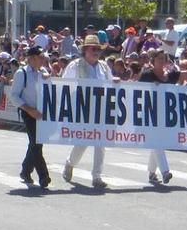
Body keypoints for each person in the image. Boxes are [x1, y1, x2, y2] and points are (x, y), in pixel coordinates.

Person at [61, 35, 116, 188]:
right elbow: (65, 84)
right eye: (93, 49)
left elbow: (111, 83)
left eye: (98, 49)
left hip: (101, 107)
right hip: (82, 107)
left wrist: (116, 82)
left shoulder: (104, 66)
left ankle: (97, 176)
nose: (96, 52)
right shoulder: (75, 65)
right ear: (85, 50)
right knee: (83, 141)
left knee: (101, 142)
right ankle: (70, 163)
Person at [10, 46, 51, 188]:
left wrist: (48, 78)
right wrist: (29, 109)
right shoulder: (22, 73)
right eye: (40, 57)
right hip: (28, 112)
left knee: (35, 144)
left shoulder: (43, 72)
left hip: (41, 113)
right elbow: (14, 96)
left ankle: (25, 171)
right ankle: (44, 175)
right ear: (32, 58)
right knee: (37, 143)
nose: (43, 59)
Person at [139, 49, 179, 184]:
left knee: (156, 143)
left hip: (166, 113)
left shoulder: (171, 75)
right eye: (159, 58)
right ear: (153, 60)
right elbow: (137, 91)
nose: (162, 61)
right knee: (158, 141)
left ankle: (151, 172)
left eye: (164, 58)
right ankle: (165, 171)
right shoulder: (147, 75)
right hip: (149, 113)